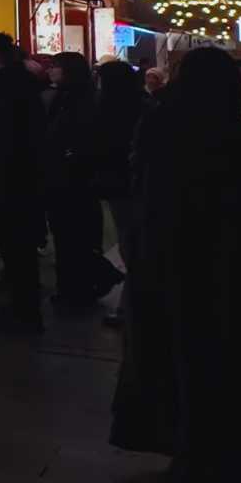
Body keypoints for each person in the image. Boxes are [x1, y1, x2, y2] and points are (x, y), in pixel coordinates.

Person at [110, 46, 241, 476]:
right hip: (228, 259)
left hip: (166, 253)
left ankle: (178, 437)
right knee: (221, 349)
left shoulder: (159, 126)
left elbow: (143, 188)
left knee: (166, 349)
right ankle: (221, 440)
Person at [0, 32, 48, 332]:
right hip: (19, 182)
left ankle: (24, 314)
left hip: (10, 184)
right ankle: (22, 309)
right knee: (18, 252)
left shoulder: (5, 92)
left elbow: (1, 144)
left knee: (17, 250)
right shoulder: (20, 88)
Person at [41, 50, 117, 312]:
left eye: (55, 67)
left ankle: (78, 289)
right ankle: (77, 287)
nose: (50, 70)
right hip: (67, 178)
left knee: (73, 238)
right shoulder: (67, 98)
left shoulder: (79, 101)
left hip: (73, 180)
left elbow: (82, 138)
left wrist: (68, 156)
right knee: (69, 238)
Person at [90, 60, 147, 327]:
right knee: (133, 240)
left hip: (120, 182)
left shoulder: (106, 109)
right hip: (136, 181)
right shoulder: (145, 105)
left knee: (130, 241)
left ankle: (131, 305)